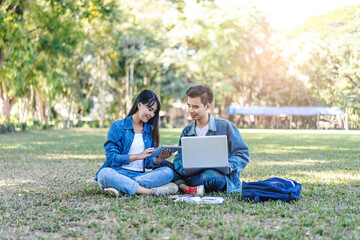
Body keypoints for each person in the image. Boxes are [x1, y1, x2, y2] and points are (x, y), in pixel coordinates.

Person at [95, 90, 178, 197]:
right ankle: (150, 191)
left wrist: (158, 160)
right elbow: (111, 158)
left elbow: (148, 162)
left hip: (140, 176)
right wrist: (137, 156)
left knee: (167, 172)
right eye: (150, 109)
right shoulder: (118, 126)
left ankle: (121, 187)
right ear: (139, 105)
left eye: (154, 112)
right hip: (118, 172)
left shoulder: (150, 130)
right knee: (104, 174)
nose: (151, 114)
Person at [173, 85, 249, 195]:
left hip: (218, 176)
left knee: (210, 175)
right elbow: (179, 158)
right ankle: (189, 186)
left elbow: (242, 153)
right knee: (166, 166)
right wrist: (184, 168)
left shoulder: (226, 126)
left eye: (195, 107)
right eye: (188, 106)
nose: (190, 110)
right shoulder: (187, 131)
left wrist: (228, 165)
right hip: (193, 176)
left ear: (207, 106)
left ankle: (183, 186)